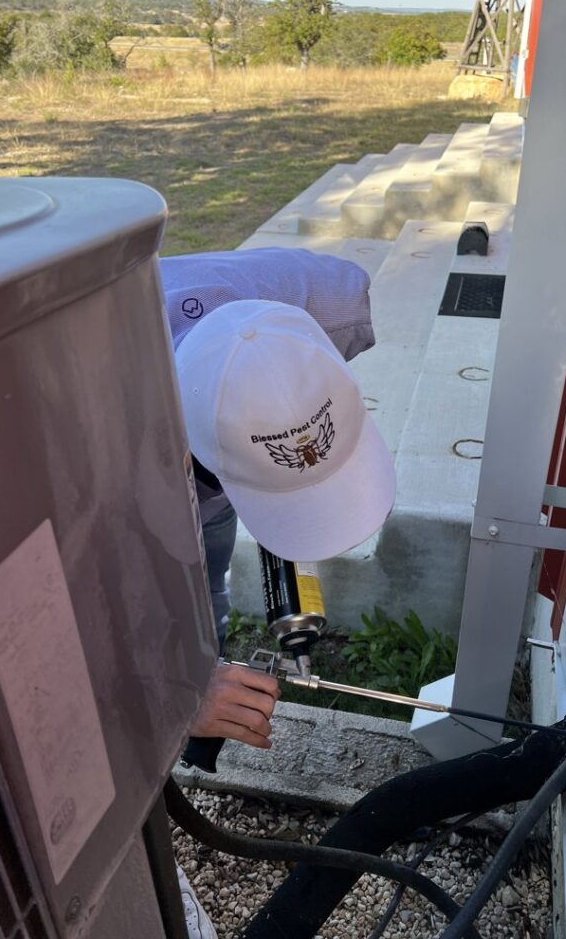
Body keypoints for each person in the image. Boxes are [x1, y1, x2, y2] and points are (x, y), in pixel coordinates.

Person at [160, 250, 396, 938]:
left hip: (202, 450)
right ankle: (195, 726)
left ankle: (214, 649)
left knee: (211, 596)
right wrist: (171, 693)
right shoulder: (93, 456)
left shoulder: (326, 298)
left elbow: (289, 415)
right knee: (188, 596)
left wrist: (282, 444)